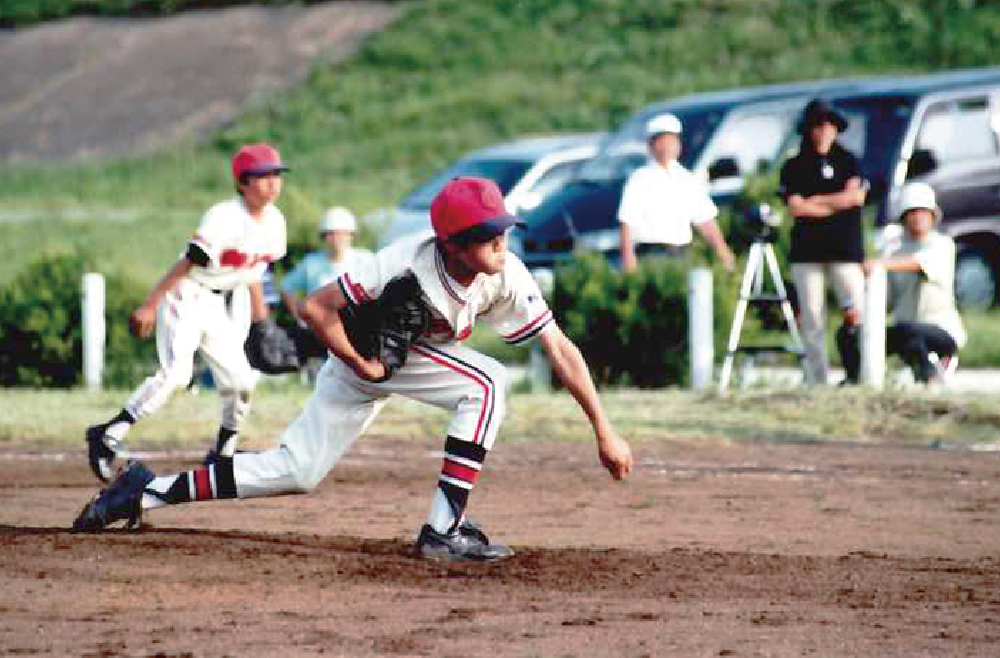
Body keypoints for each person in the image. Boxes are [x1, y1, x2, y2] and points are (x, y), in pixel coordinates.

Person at [72, 176, 634, 562]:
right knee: (478, 386)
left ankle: (146, 492)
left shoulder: (507, 274)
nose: (501, 240)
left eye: (504, 228)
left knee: (307, 467)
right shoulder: (400, 262)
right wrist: (359, 362)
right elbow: (318, 308)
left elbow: (561, 350)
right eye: (487, 233)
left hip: (398, 361)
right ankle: (441, 532)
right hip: (362, 362)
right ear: (453, 243)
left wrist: (603, 429)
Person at [85, 142, 289, 481]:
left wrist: (261, 320)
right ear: (242, 183)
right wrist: (151, 304)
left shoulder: (276, 223)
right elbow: (187, 262)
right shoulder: (224, 216)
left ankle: (222, 452)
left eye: (276, 175)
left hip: (215, 302)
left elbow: (256, 272)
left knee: (241, 380)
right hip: (186, 293)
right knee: (176, 376)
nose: (272, 182)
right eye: (262, 176)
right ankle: (106, 435)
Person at [778, 99, 867, 385]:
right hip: (808, 250)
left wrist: (817, 200)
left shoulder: (848, 160)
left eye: (829, 125)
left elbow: (855, 197)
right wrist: (834, 204)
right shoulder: (794, 165)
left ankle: (858, 372)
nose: (824, 131)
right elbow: (796, 207)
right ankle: (817, 378)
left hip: (844, 248)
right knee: (813, 317)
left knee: (855, 309)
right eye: (818, 125)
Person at [840, 182, 966, 384]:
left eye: (922, 212)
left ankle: (930, 380)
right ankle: (854, 380)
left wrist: (879, 263)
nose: (917, 217)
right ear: (903, 217)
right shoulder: (893, 253)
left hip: (940, 330)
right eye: (912, 212)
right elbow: (884, 299)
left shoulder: (943, 245)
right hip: (904, 330)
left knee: (910, 333)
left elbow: (917, 263)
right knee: (849, 333)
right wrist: (857, 312)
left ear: (932, 215)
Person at [617, 113, 736, 273]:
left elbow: (705, 220)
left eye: (671, 141)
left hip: (682, 254)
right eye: (661, 142)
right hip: (651, 256)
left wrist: (723, 251)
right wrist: (629, 262)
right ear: (650, 146)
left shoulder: (686, 178)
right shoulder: (640, 179)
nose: (667, 147)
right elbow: (626, 223)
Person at [279, 206, 374, 361]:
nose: (337, 238)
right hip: (321, 332)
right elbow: (286, 287)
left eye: (342, 233)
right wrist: (300, 317)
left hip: (358, 330)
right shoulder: (312, 263)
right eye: (331, 234)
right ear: (324, 237)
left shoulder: (364, 259)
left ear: (351, 235)